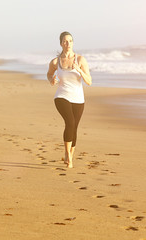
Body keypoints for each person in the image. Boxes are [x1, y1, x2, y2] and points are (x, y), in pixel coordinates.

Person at [47, 31, 92, 168]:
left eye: (71, 41)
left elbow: (89, 81)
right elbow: (49, 74)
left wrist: (79, 70)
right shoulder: (56, 61)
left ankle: (70, 155)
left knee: (74, 128)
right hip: (62, 95)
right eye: (65, 41)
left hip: (78, 98)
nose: (68, 43)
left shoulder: (80, 60)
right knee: (70, 122)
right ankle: (68, 155)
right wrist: (52, 80)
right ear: (61, 43)